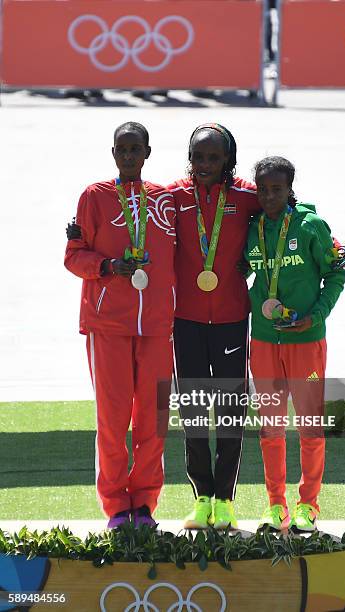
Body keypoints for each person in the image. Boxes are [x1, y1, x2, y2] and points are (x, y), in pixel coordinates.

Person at [64, 121, 176, 529]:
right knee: (112, 420)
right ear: (113, 153)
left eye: (135, 149)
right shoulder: (94, 197)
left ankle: (144, 504)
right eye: (121, 149)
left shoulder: (166, 200)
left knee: (153, 419)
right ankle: (116, 507)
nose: (128, 156)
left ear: (148, 153)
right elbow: (74, 256)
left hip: (157, 327)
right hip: (106, 324)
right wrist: (109, 267)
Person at [245, 156, 345, 532]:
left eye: (277, 189)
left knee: (309, 426)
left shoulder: (311, 226)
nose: (269, 197)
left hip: (306, 341)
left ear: (290, 189)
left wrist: (315, 315)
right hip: (264, 340)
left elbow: (335, 275)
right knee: (270, 427)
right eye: (263, 190)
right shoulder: (251, 228)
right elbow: (239, 269)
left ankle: (308, 504)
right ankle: (276, 506)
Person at [168, 123, 260, 530]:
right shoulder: (171, 196)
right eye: (198, 156)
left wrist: (254, 258)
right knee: (191, 409)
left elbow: (286, 213)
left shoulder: (246, 197)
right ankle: (201, 496)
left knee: (228, 410)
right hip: (184, 319)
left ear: (228, 159)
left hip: (230, 319)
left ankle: (225, 498)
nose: (204, 165)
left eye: (213, 157)